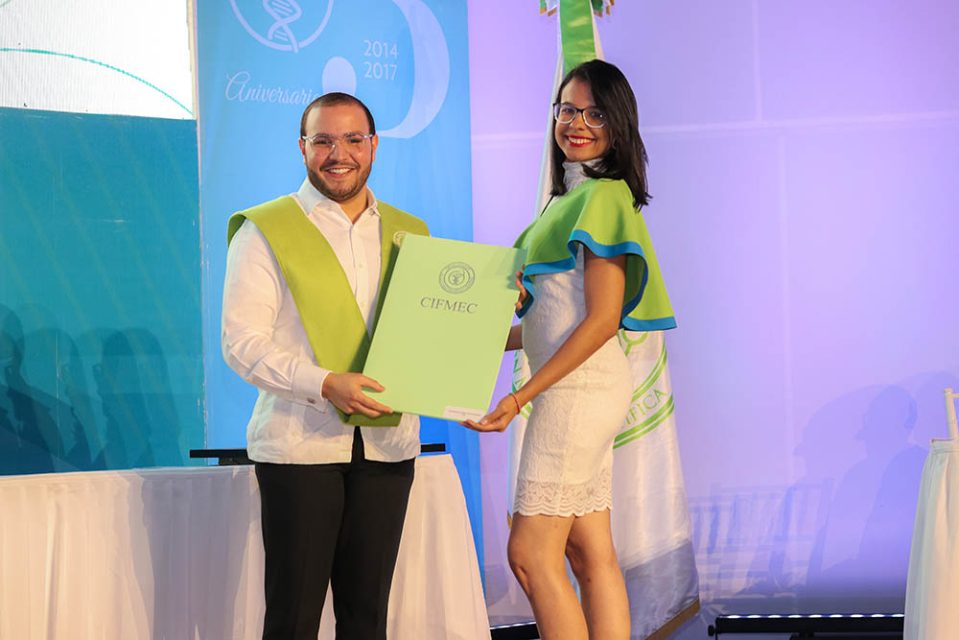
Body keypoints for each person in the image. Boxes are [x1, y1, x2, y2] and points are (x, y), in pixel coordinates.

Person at [463, 60, 676, 640]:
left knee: (531, 555)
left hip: (576, 393)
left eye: (594, 113)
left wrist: (519, 396)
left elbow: (603, 321)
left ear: (618, 124)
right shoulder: (570, 197)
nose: (577, 124)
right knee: (588, 552)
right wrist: (458, 336)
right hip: (580, 388)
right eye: (568, 110)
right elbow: (548, 324)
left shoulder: (603, 196)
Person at [221, 92, 428, 640]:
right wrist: (325, 384)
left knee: (367, 621)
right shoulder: (265, 229)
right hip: (300, 448)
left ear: (374, 145)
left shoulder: (411, 232)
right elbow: (242, 342)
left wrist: (501, 309)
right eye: (324, 141)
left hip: (388, 447)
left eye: (353, 139)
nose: (339, 154)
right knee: (293, 620)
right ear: (302, 147)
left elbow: (434, 334)